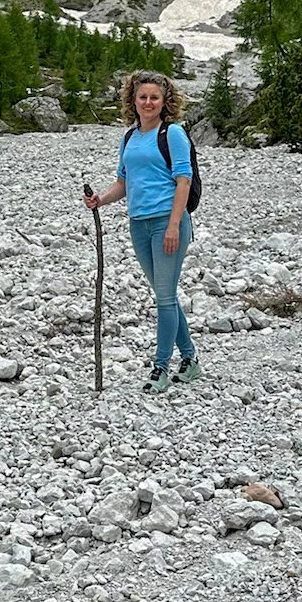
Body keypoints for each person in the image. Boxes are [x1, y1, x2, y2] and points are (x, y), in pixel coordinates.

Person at [83, 69, 199, 393]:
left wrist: (175, 225)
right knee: (165, 296)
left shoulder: (172, 134)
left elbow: (183, 181)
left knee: (163, 297)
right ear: (133, 100)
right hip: (139, 224)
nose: (148, 102)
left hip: (167, 221)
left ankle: (160, 367)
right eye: (142, 97)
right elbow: (124, 182)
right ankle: (190, 359)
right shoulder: (129, 137)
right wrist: (100, 200)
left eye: (154, 97)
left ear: (165, 102)